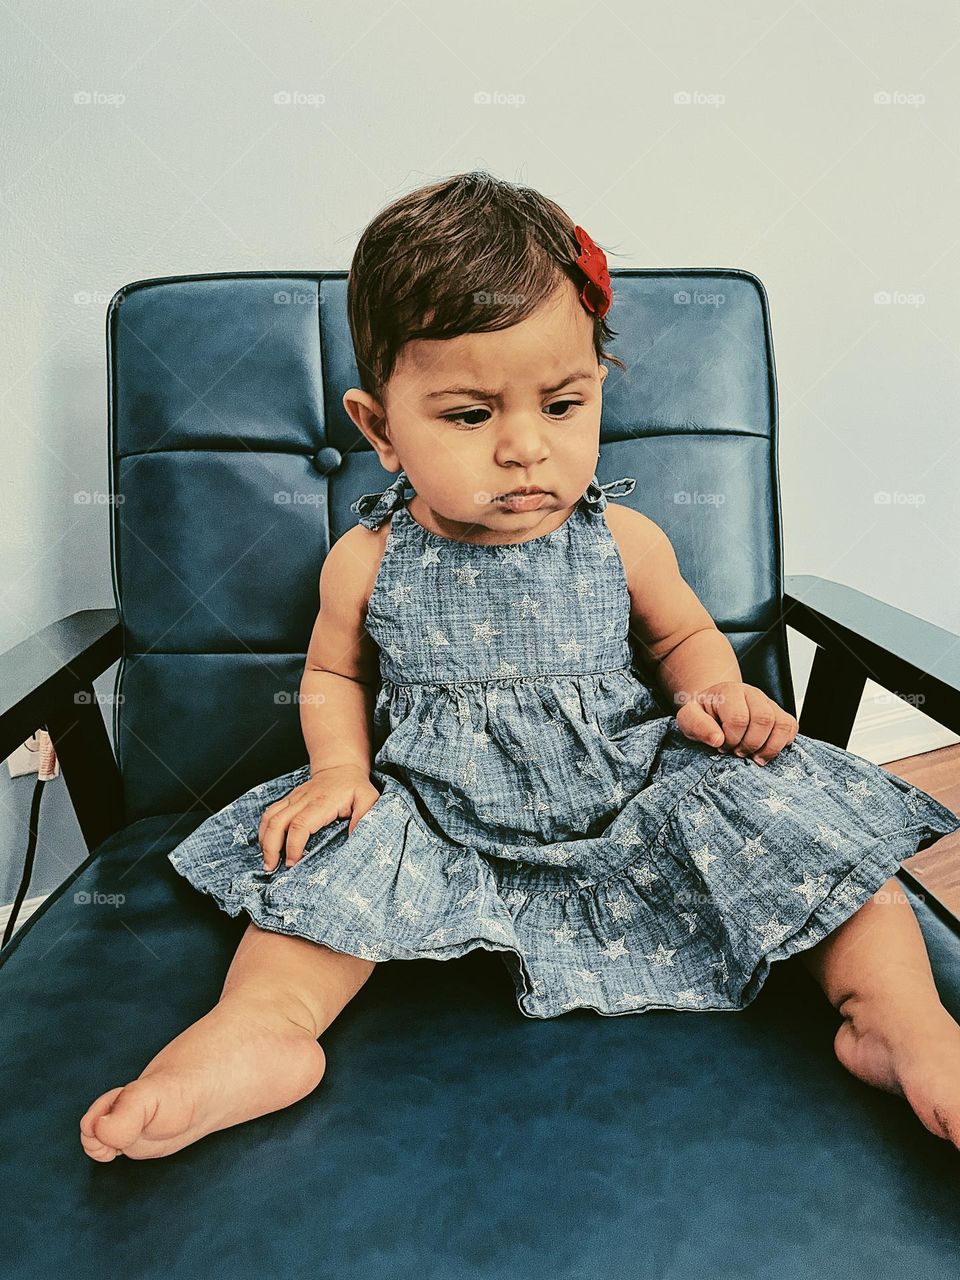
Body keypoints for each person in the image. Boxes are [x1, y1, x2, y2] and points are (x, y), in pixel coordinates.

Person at [81, 170, 960, 1162]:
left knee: (808, 832)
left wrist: (716, 693)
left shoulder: (622, 539)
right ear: (378, 428)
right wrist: (340, 772)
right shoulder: (368, 559)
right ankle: (257, 1032)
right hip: (433, 812)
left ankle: (900, 1020)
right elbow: (335, 678)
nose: (525, 449)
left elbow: (683, 638)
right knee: (323, 878)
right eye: (469, 415)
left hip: (630, 794)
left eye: (562, 403)